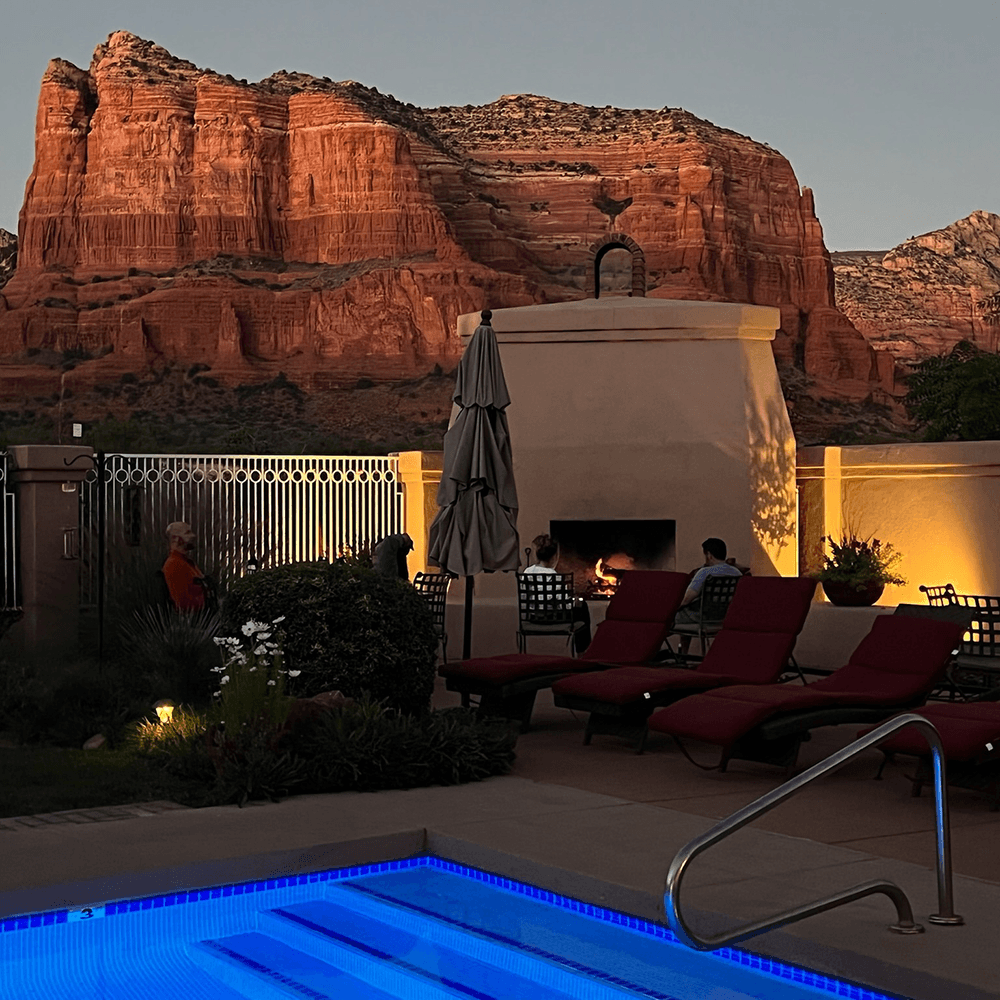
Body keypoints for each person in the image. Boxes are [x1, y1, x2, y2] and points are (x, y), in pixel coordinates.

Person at [673, 537, 743, 656]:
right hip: (723, 617)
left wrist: (672, 608)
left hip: (701, 618)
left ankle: (680, 654)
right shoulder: (737, 573)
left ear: (709, 555)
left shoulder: (704, 573)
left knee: (676, 615)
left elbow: (687, 599)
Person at [523, 533, 591, 655]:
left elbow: (525, 597)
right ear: (554, 557)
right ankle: (583, 652)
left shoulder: (527, 572)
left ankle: (584, 651)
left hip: (533, 617)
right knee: (583, 606)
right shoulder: (554, 576)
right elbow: (563, 605)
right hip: (551, 619)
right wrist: (575, 602)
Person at [162, 521, 207, 612]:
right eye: (187, 533)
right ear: (175, 539)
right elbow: (182, 603)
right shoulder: (174, 564)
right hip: (192, 622)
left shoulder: (186, 562)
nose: (193, 536)